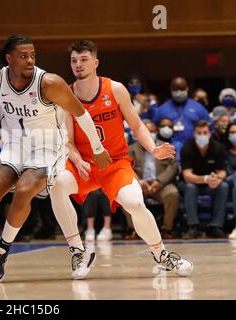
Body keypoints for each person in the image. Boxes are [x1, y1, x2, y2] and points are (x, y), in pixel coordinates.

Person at [0, 35, 111, 282]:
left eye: (32, 55)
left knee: (24, 189)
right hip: (15, 144)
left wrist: (97, 148)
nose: (30, 60)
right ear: (9, 59)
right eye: (23, 56)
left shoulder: (49, 83)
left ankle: (0, 253)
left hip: (48, 147)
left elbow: (82, 114)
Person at [49, 40, 193, 278]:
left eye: (84, 59)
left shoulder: (115, 89)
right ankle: (78, 252)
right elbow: (68, 140)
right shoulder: (67, 95)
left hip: (115, 163)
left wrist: (153, 148)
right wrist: (77, 160)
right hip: (84, 164)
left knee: (135, 203)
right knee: (56, 184)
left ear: (95, 62)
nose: (78, 65)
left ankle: (162, 255)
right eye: (74, 60)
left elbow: (136, 125)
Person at [129, 120, 180, 239]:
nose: (150, 133)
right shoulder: (131, 149)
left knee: (173, 194)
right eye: (146, 131)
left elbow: (174, 166)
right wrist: (140, 182)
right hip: (139, 184)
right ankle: (134, 229)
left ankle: (167, 229)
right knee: (127, 195)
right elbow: (126, 168)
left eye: (152, 131)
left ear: (156, 132)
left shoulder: (166, 146)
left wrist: (159, 182)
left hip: (162, 184)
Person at [179, 121, 228, 239]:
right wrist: (206, 179)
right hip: (189, 184)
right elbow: (187, 175)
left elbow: (222, 171)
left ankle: (216, 226)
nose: (202, 135)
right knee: (191, 187)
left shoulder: (218, 147)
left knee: (224, 186)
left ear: (209, 133)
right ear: (194, 134)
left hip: (210, 185)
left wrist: (218, 178)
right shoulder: (187, 148)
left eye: (205, 132)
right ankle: (193, 227)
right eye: (199, 133)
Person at [154, 77, 212, 155]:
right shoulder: (162, 109)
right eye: (176, 89)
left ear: (187, 88)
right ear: (171, 89)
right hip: (168, 151)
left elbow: (210, 128)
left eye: (181, 89)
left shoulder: (198, 108)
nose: (179, 92)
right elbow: (154, 128)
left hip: (194, 150)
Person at [225, 122, 236, 240]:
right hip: (228, 180)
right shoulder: (224, 151)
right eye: (232, 132)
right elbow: (225, 170)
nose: (234, 135)